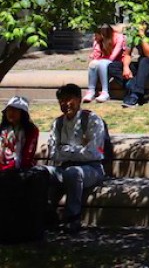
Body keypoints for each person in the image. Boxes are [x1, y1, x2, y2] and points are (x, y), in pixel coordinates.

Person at [39, 84, 108, 233]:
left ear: (78, 100)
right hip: (63, 167)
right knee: (41, 172)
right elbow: (53, 153)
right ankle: (47, 214)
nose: (65, 104)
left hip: (92, 168)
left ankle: (73, 218)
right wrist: (77, 150)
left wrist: (66, 149)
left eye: (69, 99)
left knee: (73, 172)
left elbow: (93, 153)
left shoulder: (92, 120)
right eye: (61, 101)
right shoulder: (57, 123)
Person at [0, 96, 47, 243]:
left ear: (23, 114)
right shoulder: (2, 130)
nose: (11, 113)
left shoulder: (31, 131)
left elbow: (27, 156)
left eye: (16, 110)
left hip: (18, 172)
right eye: (9, 110)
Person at [110, 22, 149, 107]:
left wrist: (142, 35)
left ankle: (135, 96)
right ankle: (136, 89)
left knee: (144, 60)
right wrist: (125, 67)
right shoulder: (132, 31)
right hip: (144, 64)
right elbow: (127, 54)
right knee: (113, 66)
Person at [82, 24, 125, 104]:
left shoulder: (119, 37)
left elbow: (113, 56)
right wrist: (96, 43)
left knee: (102, 63)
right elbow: (96, 56)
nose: (95, 36)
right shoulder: (99, 40)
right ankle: (91, 91)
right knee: (93, 64)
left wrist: (101, 60)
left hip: (116, 62)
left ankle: (105, 92)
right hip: (103, 60)